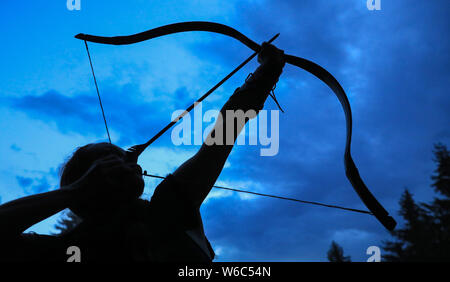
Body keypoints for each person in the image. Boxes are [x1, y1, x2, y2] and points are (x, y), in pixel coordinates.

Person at [0, 43, 285, 262]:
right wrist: (75, 191)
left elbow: (221, 137)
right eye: (112, 158)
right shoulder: (73, 249)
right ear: (94, 180)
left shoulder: (169, 206)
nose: (129, 161)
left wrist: (263, 76)